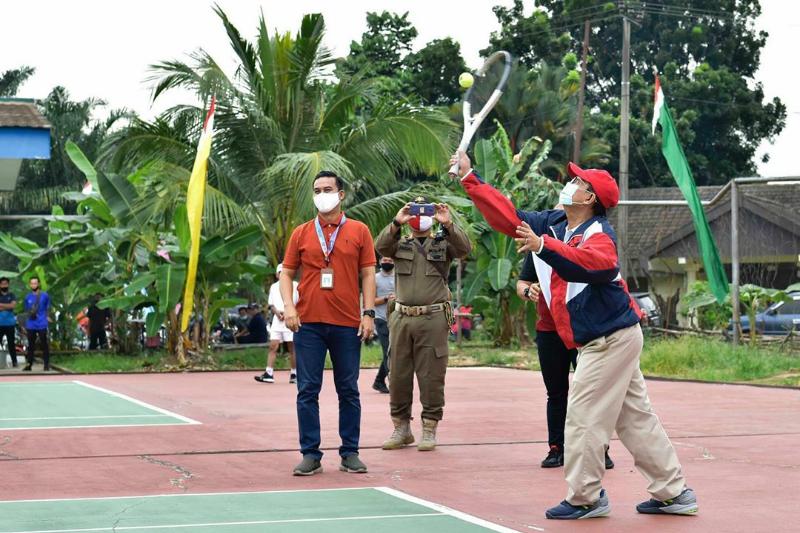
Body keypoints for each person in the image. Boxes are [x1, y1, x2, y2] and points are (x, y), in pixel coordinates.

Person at [452, 151, 696, 519]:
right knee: (634, 418)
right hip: (610, 337)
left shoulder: (599, 234)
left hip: (610, 339)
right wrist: (470, 178)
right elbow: (509, 218)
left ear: (589, 198)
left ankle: (586, 497)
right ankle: (673, 492)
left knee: (582, 415)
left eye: (578, 182)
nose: (570, 185)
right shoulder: (552, 222)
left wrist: (543, 247)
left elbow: (596, 265)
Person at [280, 170, 376, 476]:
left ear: (341, 194)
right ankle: (310, 453)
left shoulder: (359, 231)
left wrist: (368, 312)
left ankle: (350, 452)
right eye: (317, 190)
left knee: (348, 389)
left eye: (328, 189)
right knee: (307, 390)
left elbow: (368, 274)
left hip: (347, 323)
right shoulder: (301, 232)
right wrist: (289, 307)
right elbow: (285, 273)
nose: (322, 195)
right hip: (307, 324)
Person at [375, 197, 471, 452]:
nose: (419, 215)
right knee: (398, 374)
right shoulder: (399, 244)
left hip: (433, 317)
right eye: (414, 210)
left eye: (424, 210)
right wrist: (397, 221)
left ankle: (429, 428)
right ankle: (401, 428)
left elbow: (464, 249)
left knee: (431, 375)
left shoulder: (443, 243)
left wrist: (448, 224)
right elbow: (381, 246)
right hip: (402, 318)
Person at [517, 254, 614, 470]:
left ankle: (600, 449)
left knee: (592, 393)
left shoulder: (584, 243)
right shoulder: (538, 248)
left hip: (583, 329)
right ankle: (557, 448)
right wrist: (527, 290)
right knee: (556, 392)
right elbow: (521, 283)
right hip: (549, 331)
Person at [255, 264, 299, 384]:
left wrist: (290, 313)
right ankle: (269, 373)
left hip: (290, 320)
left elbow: (299, 303)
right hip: (277, 321)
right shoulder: (273, 287)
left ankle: (294, 374)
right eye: (280, 272)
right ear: (277, 274)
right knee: (273, 346)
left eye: (283, 272)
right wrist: (277, 313)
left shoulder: (295, 285)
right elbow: (271, 304)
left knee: (292, 348)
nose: (281, 274)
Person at [372, 256, 396, 394]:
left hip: (397, 319)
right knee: (389, 351)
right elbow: (371, 300)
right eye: (385, 261)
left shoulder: (399, 278)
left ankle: (378, 381)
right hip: (381, 319)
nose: (387, 263)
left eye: (390, 261)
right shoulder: (375, 278)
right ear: (380, 262)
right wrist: (386, 298)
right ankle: (394, 383)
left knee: (394, 351)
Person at [22, 276, 51, 372]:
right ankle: (29, 364)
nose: (34, 285)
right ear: (30, 285)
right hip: (31, 323)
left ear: (38, 284)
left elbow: (48, 308)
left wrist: (48, 317)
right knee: (30, 345)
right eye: (32, 283)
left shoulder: (45, 295)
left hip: (42, 322)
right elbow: (26, 310)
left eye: (35, 283)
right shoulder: (27, 297)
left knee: (44, 344)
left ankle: (46, 364)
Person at [0, 277, 18, 367]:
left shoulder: (12, 295)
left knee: (11, 344)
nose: (4, 285)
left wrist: (1, 305)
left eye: (6, 284)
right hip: (0, 323)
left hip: (10, 323)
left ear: (8, 284)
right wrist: (8, 306)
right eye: (2, 284)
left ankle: (14, 362)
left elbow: (13, 306)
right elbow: (10, 306)